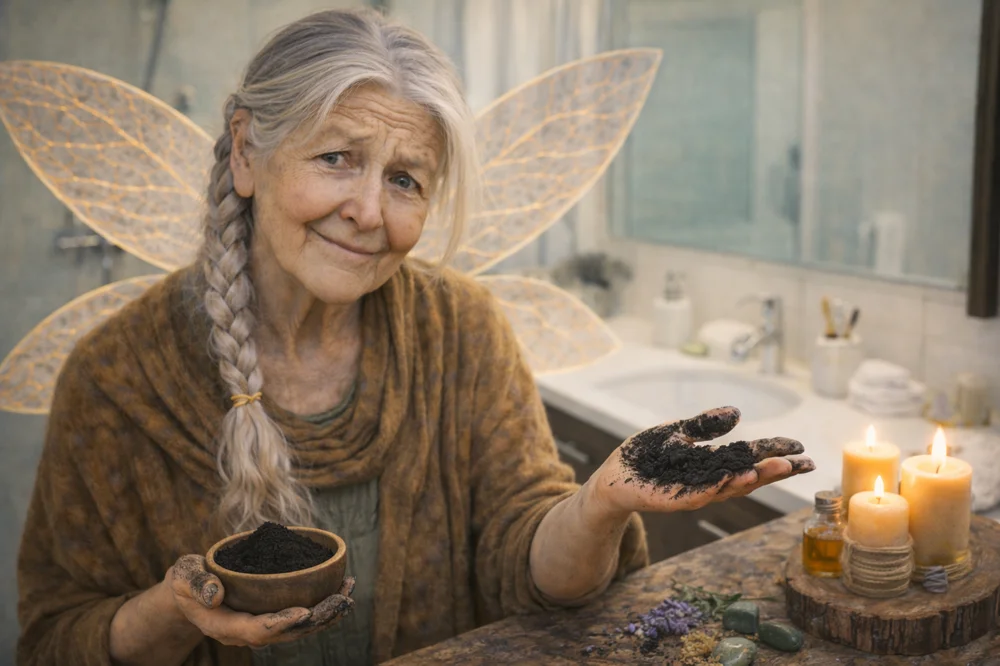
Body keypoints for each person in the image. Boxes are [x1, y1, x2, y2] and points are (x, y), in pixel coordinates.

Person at [15, 9, 814, 666]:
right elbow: (57, 638)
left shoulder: (461, 331)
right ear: (249, 151)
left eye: (405, 180)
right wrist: (177, 611)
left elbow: (525, 565)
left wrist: (596, 508)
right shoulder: (116, 376)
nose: (369, 209)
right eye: (337, 157)